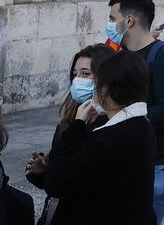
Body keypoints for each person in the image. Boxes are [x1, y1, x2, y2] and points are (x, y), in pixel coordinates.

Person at [42, 50, 157, 225]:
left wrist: (78, 124)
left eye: (94, 81)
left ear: (105, 89)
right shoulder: (142, 125)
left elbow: (58, 182)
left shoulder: (108, 138)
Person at [107, 0, 164, 223]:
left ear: (128, 21)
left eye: (113, 19)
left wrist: (121, 117)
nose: (110, 25)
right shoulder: (121, 55)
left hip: (157, 164)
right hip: (124, 159)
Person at [24, 43, 113, 224]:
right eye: (75, 74)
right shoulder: (70, 116)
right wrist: (43, 169)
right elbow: (60, 168)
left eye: (85, 74)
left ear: (105, 78)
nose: (78, 80)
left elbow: (73, 180)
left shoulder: (111, 125)